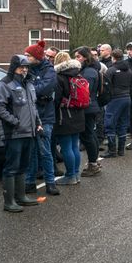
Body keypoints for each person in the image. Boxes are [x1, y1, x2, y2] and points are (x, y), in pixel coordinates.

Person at [0, 55, 41, 211]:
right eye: (22, 67)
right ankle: (9, 202)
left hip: (30, 132)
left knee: (23, 166)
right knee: (11, 167)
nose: (25, 70)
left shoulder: (29, 84)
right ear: (14, 67)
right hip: (14, 133)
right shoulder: (5, 84)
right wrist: (15, 122)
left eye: (26, 67)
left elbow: (33, 107)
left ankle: (21, 197)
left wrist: (38, 123)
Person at [23, 40, 56, 196]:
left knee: (45, 150)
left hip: (45, 115)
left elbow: (46, 88)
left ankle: (50, 182)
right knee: (31, 151)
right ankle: (29, 182)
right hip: (30, 115)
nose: (25, 57)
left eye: (28, 55)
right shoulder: (26, 69)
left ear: (36, 56)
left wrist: (29, 89)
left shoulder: (49, 70)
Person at [52, 51, 85, 186]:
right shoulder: (77, 74)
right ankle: (76, 174)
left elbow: (56, 99)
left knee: (66, 148)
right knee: (74, 146)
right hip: (78, 114)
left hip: (64, 116)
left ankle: (70, 175)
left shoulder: (59, 77)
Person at [74, 46, 103, 176]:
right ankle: (95, 161)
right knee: (90, 134)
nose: (76, 59)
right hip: (91, 106)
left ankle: (93, 164)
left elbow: (86, 91)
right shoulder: (89, 70)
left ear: (85, 57)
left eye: (78, 56)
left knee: (88, 136)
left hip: (88, 107)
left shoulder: (89, 72)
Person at [103, 48, 132, 157]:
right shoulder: (128, 70)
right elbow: (131, 84)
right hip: (127, 97)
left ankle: (112, 151)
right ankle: (121, 150)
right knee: (123, 124)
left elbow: (106, 86)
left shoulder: (111, 70)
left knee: (110, 123)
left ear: (113, 58)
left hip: (115, 99)